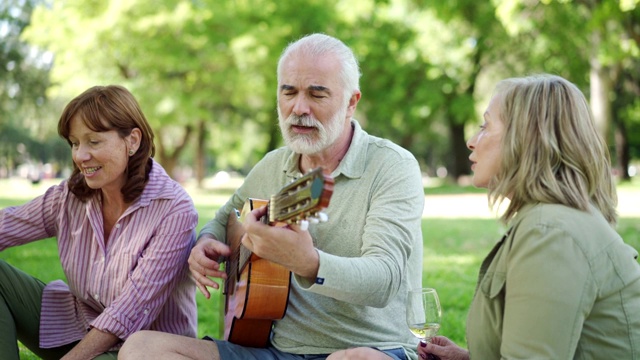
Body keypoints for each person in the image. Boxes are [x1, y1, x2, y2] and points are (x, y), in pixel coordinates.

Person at [119, 33, 425, 360]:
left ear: (352, 102)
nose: (299, 108)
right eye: (288, 92)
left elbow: (384, 280)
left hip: (372, 350)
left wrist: (308, 263)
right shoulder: (273, 166)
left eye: (317, 94)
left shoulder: (392, 166)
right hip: (274, 351)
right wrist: (206, 242)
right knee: (141, 348)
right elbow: (226, 220)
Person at [417, 74, 640, 360]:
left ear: (526, 139)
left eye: (486, 126)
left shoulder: (551, 234)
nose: (472, 141)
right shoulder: (551, 222)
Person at [0, 85, 199, 360]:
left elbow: (127, 314)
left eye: (93, 142)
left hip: (136, 349)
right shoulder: (70, 196)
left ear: (132, 140)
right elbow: (5, 225)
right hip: (74, 325)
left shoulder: (174, 211)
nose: (80, 156)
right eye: (75, 143)